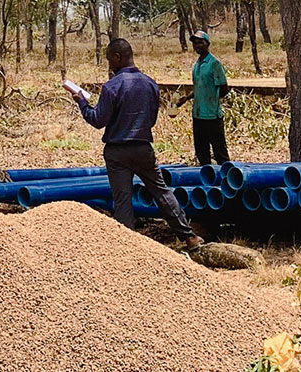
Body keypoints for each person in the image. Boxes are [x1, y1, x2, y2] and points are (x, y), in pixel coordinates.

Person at [71, 38, 202, 249]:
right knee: (161, 191)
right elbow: (151, 120)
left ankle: (128, 247)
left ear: (117, 57)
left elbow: (97, 120)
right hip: (143, 148)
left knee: (123, 199)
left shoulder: (112, 87)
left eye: (109, 60)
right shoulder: (150, 84)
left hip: (117, 151)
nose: (109, 65)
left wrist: (82, 103)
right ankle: (189, 237)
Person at [175, 30, 231, 166]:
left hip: (212, 115)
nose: (197, 45)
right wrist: (186, 99)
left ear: (207, 43)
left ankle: (228, 179)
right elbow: (199, 88)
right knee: (201, 151)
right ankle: (208, 180)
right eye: (195, 43)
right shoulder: (197, 65)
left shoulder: (214, 64)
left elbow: (224, 88)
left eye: (200, 42)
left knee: (219, 152)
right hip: (198, 115)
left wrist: (212, 100)